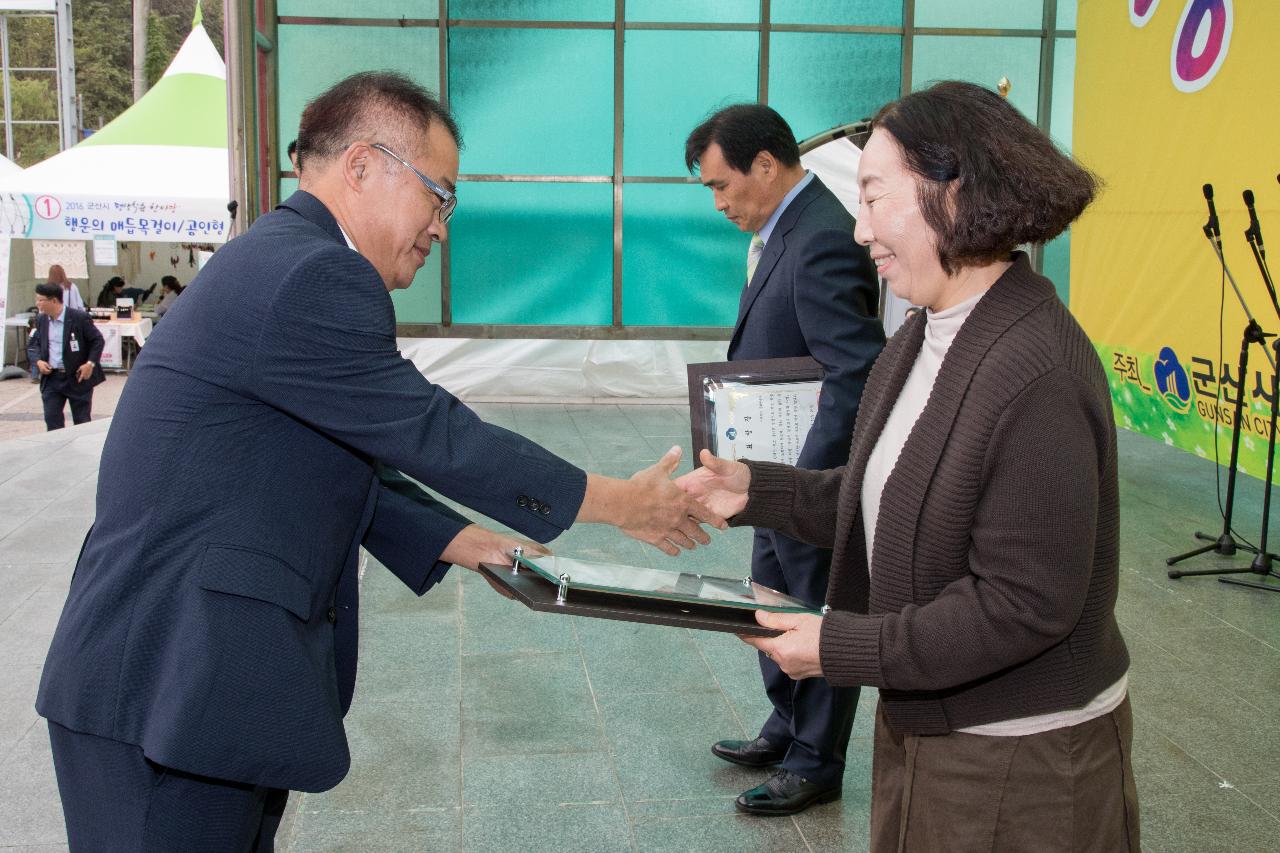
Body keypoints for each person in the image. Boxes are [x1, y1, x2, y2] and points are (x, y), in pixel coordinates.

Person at [36, 71, 723, 853]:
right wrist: (616, 501)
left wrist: (465, 541)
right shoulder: (315, 274)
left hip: (187, 684)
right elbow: (433, 432)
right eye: (440, 196)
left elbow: (330, 449)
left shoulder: (283, 256)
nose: (442, 226)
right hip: (163, 682)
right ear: (362, 166)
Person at [679, 80, 1138, 852]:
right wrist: (757, 488)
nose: (858, 233)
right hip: (930, 726)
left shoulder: (1035, 370)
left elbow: (1023, 606)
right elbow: (882, 498)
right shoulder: (924, 335)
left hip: (1019, 757)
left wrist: (837, 645)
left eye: (872, 198)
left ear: (952, 191)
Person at [684, 104, 884, 815]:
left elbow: (854, 371)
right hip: (770, 469)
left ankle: (816, 758)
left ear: (765, 165)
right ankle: (787, 723)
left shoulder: (822, 236)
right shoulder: (782, 231)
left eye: (720, 185)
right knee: (770, 598)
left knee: (813, 607)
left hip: (806, 473)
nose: (719, 203)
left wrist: (802, 484)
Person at [26, 282, 105, 430]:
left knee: (81, 422)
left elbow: (97, 340)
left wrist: (90, 364)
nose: (37, 304)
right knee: (52, 419)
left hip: (76, 377)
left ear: (54, 300)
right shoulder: (41, 320)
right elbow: (33, 344)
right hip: (52, 378)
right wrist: (38, 361)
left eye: (41, 300)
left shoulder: (79, 318)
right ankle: (56, 451)